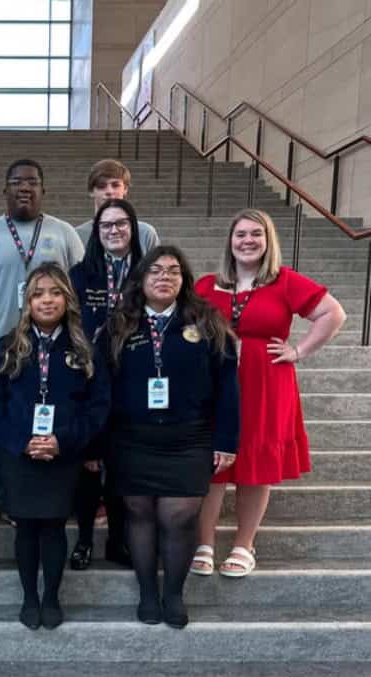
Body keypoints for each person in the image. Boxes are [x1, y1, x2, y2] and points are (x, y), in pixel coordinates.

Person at [192, 209, 346, 579]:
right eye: (240, 234)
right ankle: (205, 542)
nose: (247, 241)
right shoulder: (208, 285)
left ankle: (245, 545)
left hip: (266, 380)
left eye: (255, 234)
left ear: (268, 241)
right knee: (212, 461)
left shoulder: (284, 281)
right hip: (216, 382)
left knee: (256, 461)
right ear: (230, 241)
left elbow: (333, 314)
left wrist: (299, 351)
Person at [98, 245, 240, 629]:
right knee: (140, 514)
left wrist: (227, 440)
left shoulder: (208, 321)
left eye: (174, 271)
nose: (164, 277)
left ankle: (173, 593)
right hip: (130, 438)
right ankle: (147, 592)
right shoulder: (118, 326)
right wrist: (96, 444)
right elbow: (101, 389)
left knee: (178, 516)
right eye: (156, 271)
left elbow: (228, 386)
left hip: (189, 438)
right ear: (141, 280)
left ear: (184, 280)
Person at [0, 159, 85, 531]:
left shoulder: (64, 234)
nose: (24, 188)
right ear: (5, 190)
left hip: (48, 352)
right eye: (16, 182)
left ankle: (19, 502)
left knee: (35, 426)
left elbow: (76, 290)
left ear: (44, 190)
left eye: (32, 182)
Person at [0, 262, 109, 630]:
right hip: (18, 455)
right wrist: (22, 442)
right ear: (27, 302)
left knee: (53, 527)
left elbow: (98, 405)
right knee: (25, 527)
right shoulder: (7, 348)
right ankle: (29, 597)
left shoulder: (85, 349)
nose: (47, 300)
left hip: (63, 454)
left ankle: (51, 596)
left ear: (67, 298)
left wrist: (62, 441)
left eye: (55, 292)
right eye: (38, 294)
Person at [68, 198, 146, 571]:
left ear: (133, 228)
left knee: (120, 467)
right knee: (89, 465)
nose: (114, 231)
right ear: (96, 234)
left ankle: (117, 539)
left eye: (121, 224)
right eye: (106, 226)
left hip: (133, 383)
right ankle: (83, 539)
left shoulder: (148, 272)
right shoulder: (81, 274)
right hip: (88, 381)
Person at [75, 159, 160, 256]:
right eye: (101, 186)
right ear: (91, 191)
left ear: (125, 189)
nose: (109, 191)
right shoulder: (76, 235)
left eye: (115, 185)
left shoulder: (145, 233)